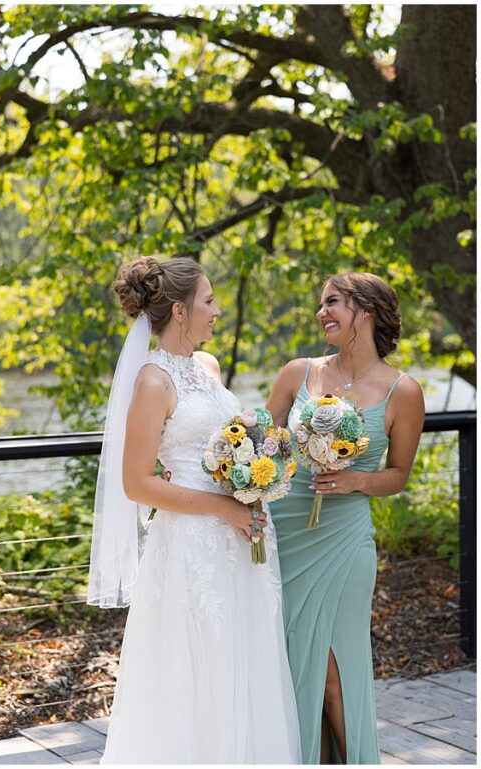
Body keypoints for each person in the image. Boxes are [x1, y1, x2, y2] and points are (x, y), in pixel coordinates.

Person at [90, 255, 300, 764]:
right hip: (189, 545)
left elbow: (225, 442)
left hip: (239, 538)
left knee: (243, 659)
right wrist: (221, 507)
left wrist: (255, 478)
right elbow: (136, 482)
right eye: (208, 301)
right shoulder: (152, 382)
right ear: (180, 311)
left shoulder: (207, 367)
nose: (217, 310)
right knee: (195, 665)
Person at [266, 272, 424, 764]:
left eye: (332, 301)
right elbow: (261, 445)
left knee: (335, 673)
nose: (321, 312)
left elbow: (397, 474)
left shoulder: (404, 391)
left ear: (368, 310)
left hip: (344, 541)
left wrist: (358, 480)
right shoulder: (298, 372)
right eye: (321, 303)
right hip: (284, 533)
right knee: (288, 665)